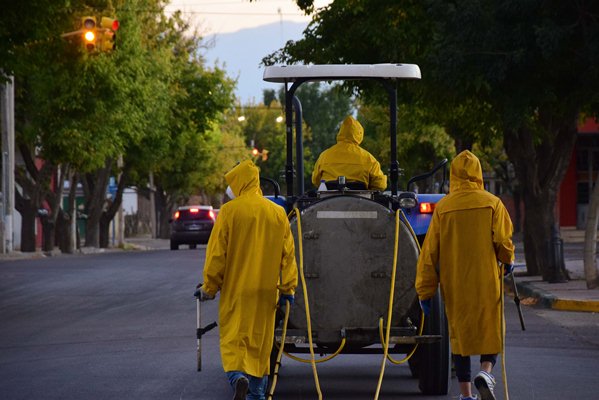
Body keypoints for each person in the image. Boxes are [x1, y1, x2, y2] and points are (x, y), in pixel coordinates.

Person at [415, 150, 515, 400]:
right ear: (479, 173)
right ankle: (486, 372)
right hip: (486, 281)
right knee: (491, 330)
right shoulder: (493, 203)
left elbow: (429, 254)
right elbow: (503, 242)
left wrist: (425, 291)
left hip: (455, 283)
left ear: (454, 175)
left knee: (459, 338)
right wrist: (508, 261)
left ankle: (466, 394)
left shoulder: (444, 208)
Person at [195, 159, 298, 400]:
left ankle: (236, 378)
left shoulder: (230, 212)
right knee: (260, 346)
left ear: (239, 183)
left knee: (234, 341)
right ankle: (257, 393)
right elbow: (288, 256)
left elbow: (217, 255)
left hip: (236, 292)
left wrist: (209, 287)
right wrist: (287, 290)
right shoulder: (277, 213)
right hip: (266, 294)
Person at [311, 115, 387, 190]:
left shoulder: (324, 156)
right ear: (359, 134)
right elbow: (380, 185)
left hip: (328, 199)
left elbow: (315, 180)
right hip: (361, 200)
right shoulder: (368, 158)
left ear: (340, 133)